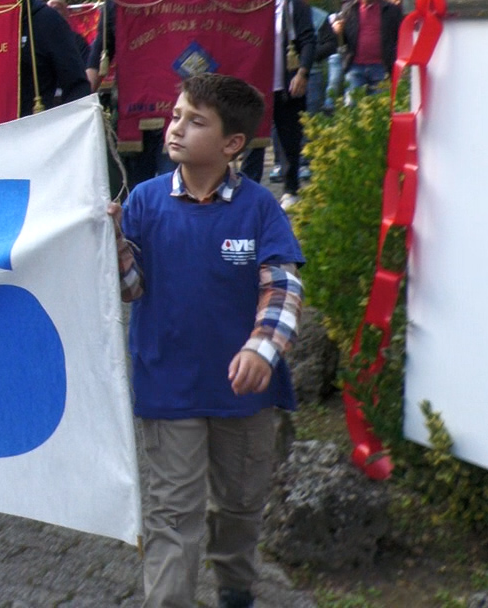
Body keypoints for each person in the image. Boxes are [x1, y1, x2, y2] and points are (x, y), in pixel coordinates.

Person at [113, 74, 303, 608]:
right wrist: (116, 246)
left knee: (239, 505)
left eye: (196, 121)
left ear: (232, 143)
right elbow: (131, 290)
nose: (176, 128)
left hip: (244, 393)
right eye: (176, 115)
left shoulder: (258, 207)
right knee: (173, 512)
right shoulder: (144, 201)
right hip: (167, 384)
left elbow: (283, 285)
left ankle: (235, 589)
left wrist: (261, 348)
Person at [86, 0, 192, 185]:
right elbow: (99, 55)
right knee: (134, 191)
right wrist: (78, 104)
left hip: (182, 114)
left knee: (175, 188)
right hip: (134, 114)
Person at [240, 0, 315, 206]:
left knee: (288, 139)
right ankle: (247, 192)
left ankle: (290, 189)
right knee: (252, 140)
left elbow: (308, 40)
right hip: (254, 87)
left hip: (285, 85)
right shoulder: (246, 6)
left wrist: (302, 72)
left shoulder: (293, 6)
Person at [337, 0, 404, 97]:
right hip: (355, 67)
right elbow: (341, 40)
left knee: (380, 106)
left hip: (382, 68)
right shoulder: (349, 9)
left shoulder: (391, 10)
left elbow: (401, 37)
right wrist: (338, 31)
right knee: (353, 106)